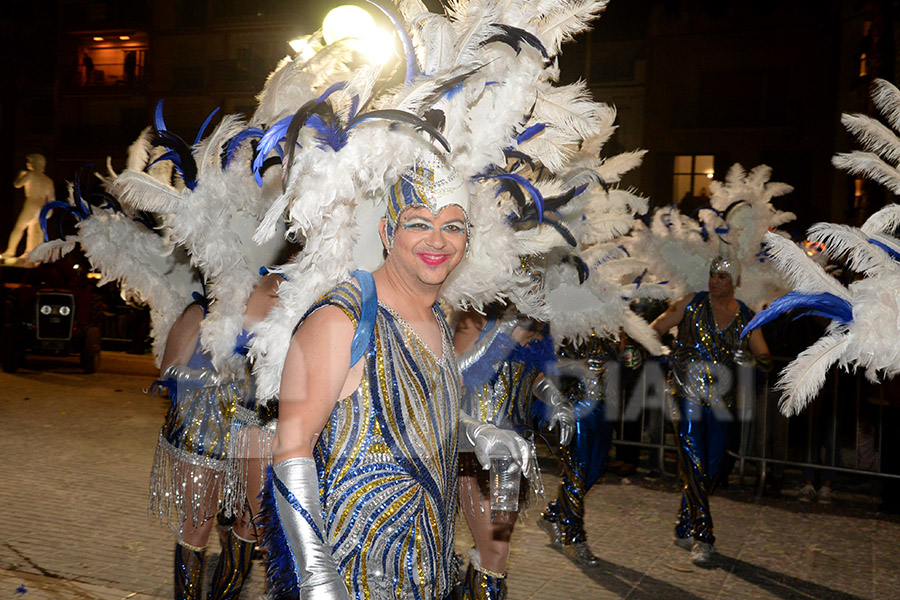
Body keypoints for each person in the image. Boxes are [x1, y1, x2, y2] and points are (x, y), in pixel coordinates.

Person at [265, 158, 522, 599]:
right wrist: (316, 575)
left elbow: (409, 424)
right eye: (419, 222)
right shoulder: (342, 318)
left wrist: (478, 434)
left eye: (454, 226)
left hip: (430, 577)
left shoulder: (438, 317)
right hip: (352, 578)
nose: (438, 240)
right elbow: (291, 446)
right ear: (387, 232)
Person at [650, 256, 770, 567]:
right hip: (685, 396)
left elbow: (763, 352)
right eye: (712, 274)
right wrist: (662, 356)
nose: (715, 280)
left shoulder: (746, 316)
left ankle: (683, 524)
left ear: (736, 283)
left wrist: (756, 366)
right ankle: (703, 537)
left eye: (723, 276)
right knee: (694, 460)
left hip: (724, 402)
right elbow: (656, 328)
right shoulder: (690, 303)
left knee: (710, 467)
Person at [453, 299, 574, 597]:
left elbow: (533, 376)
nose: (534, 283)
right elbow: (454, 375)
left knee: (496, 547)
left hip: (516, 455)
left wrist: (555, 400)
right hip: (474, 452)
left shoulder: (541, 324)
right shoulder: (476, 315)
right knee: (496, 550)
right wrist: (505, 337)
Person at [538, 335, 619, 567]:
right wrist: (577, 366)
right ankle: (573, 538)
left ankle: (553, 514)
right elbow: (546, 361)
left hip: (605, 410)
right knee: (576, 471)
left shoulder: (615, 324)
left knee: (593, 473)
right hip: (576, 407)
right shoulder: (569, 321)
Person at [3, 154, 55, 262]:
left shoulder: (30, 174)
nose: (27, 164)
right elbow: (51, 199)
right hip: (42, 205)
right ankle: (32, 253)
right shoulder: (48, 180)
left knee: (20, 227)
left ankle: (10, 251)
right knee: (35, 230)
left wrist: (20, 175)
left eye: (29, 162)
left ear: (35, 163)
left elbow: (17, 184)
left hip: (32, 202)